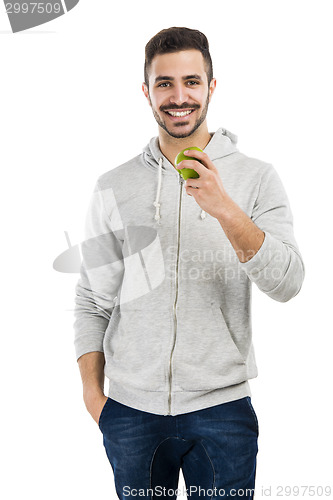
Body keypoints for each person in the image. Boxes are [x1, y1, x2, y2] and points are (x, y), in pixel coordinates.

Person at [74, 27, 305, 499]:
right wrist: (95, 399)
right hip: (131, 414)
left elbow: (288, 283)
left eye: (192, 82)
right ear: (146, 90)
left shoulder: (256, 178)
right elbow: (92, 299)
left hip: (222, 411)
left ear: (211, 86)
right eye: (164, 83)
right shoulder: (113, 184)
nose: (179, 97)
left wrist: (225, 207)